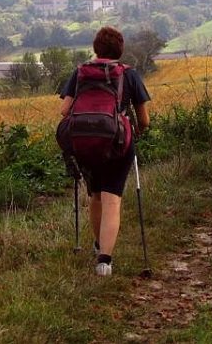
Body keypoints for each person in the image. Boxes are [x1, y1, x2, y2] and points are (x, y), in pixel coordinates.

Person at [59, 26, 151, 276]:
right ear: (120, 50)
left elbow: (64, 111)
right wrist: (136, 131)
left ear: (95, 48)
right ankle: (104, 261)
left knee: (96, 195)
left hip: (84, 144)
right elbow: (144, 120)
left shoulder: (80, 72)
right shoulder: (129, 75)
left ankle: (98, 244)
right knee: (112, 199)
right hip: (118, 144)